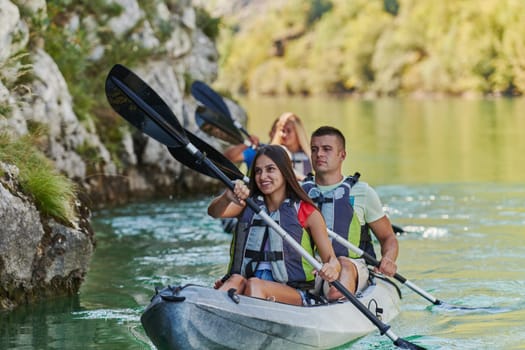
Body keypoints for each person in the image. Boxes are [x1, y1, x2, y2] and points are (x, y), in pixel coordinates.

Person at [208, 145, 340, 306]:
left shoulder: (306, 211)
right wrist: (227, 196)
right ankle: (210, 309)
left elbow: (332, 259)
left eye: (270, 169)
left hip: (292, 291)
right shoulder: (248, 204)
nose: (263, 176)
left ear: (284, 172)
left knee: (254, 284)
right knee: (236, 279)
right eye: (258, 171)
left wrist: (331, 268)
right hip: (248, 282)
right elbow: (214, 212)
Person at [302, 126, 399, 300]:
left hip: (351, 265)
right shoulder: (299, 193)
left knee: (344, 267)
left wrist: (389, 259)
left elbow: (388, 238)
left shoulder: (363, 192)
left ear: (342, 155)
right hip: (310, 266)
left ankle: (337, 302)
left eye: (327, 149)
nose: (319, 155)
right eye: (314, 149)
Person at [270, 112, 312, 179]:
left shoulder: (309, 153)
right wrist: (303, 178)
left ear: (298, 132)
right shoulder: (276, 152)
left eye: (289, 131)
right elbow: (284, 169)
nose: (284, 134)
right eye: (282, 130)